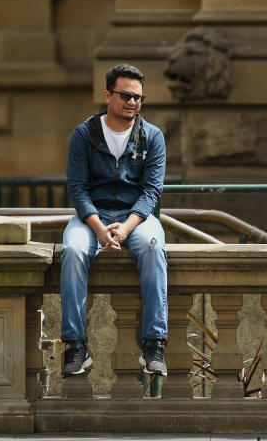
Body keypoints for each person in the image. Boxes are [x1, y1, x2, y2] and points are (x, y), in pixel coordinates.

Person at [60, 63, 168, 378]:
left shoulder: (153, 137)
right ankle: (76, 346)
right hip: (92, 215)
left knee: (152, 248)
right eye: (125, 95)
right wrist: (99, 228)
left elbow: (151, 192)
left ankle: (154, 345)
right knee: (73, 251)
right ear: (108, 95)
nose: (132, 102)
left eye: (138, 97)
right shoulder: (84, 135)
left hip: (134, 216)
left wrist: (125, 228)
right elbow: (77, 190)